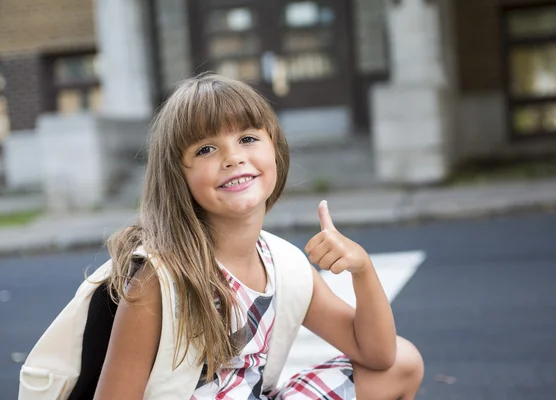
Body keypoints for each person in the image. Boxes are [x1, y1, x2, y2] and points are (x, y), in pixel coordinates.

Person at [91, 74, 423, 399]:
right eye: (206, 149)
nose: (233, 157)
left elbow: (379, 355)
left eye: (247, 139)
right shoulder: (162, 278)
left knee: (403, 362)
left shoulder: (283, 265)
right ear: (178, 176)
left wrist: (362, 270)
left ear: (275, 151)